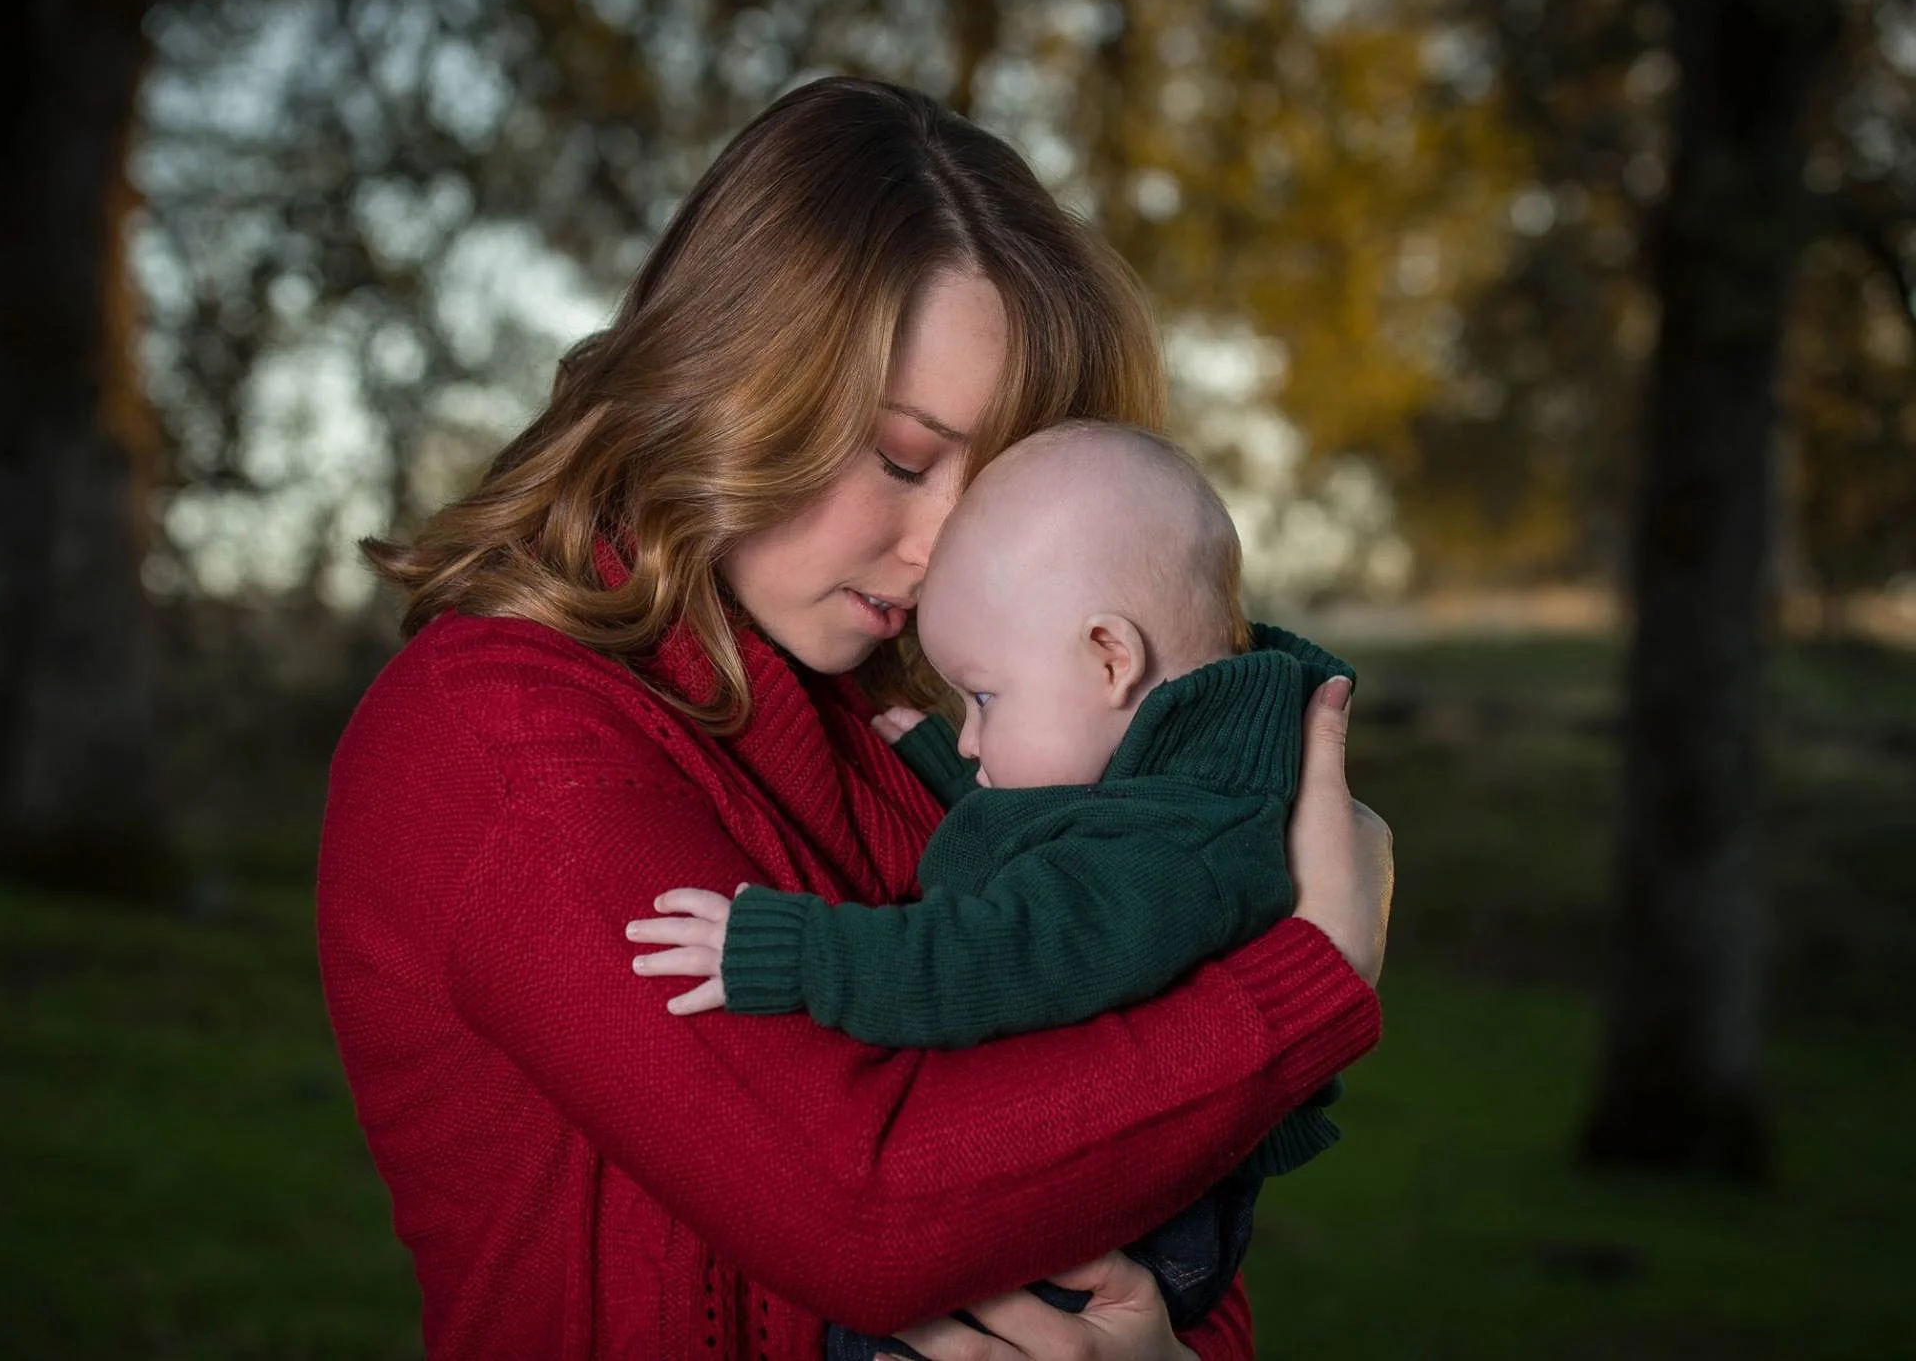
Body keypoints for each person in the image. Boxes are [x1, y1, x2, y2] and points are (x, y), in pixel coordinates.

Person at [318, 76, 1392, 1361]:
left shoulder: (939, 743)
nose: (940, 545)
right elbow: (863, 1205)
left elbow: (1144, 1208)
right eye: (896, 456)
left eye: (990, 491)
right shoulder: (497, 739)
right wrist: (1307, 977)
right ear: (728, 378)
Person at [629, 421, 1355, 1361]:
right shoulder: (1181, 784)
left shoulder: (1181, 846)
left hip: (1113, 1244)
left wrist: (796, 951)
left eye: (984, 699)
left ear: (1109, 657)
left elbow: (1004, 949)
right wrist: (944, 772)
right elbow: (1062, 846)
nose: (970, 738)